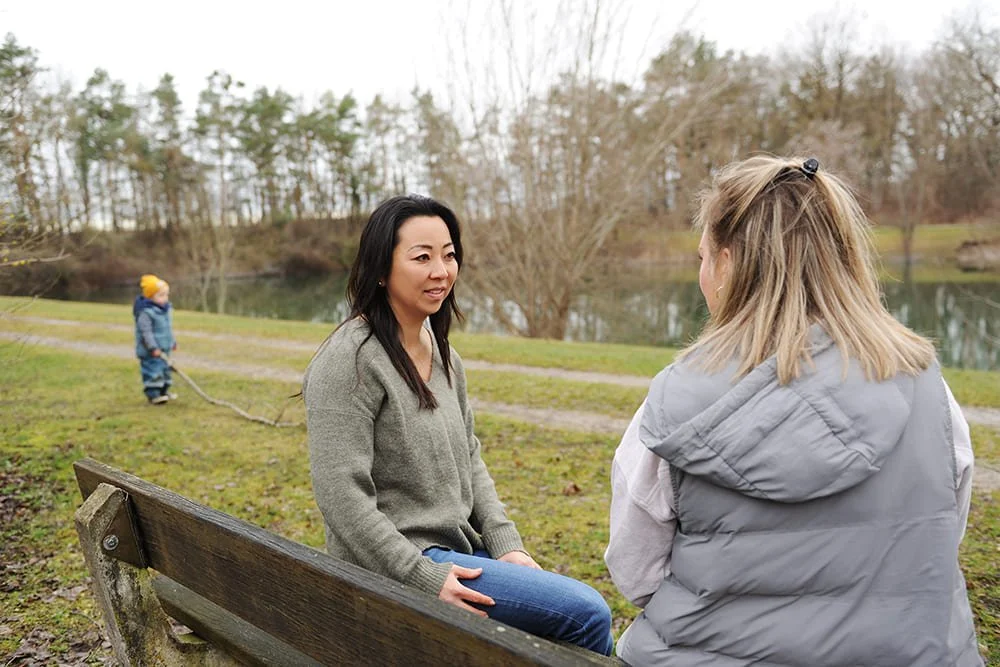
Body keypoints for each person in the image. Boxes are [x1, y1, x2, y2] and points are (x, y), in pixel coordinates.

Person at [605, 156, 983, 666]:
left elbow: (636, 570)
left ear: (728, 262)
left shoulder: (675, 400)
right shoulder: (928, 390)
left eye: (702, 258)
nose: (701, 274)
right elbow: (939, 535)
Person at [303, 194, 614, 655]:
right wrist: (421, 576)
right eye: (421, 257)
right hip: (395, 568)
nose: (441, 271)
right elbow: (340, 496)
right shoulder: (349, 362)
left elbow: (469, 456)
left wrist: (506, 544)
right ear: (381, 270)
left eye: (448, 255)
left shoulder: (444, 355)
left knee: (555, 616)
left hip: (458, 551)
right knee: (586, 613)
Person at [133, 274, 177, 405]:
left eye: (166, 295)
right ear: (150, 296)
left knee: (165, 371)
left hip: (164, 348)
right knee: (153, 372)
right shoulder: (145, 313)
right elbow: (146, 333)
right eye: (161, 295)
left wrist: (172, 342)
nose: (165, 298)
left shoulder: (164, 310)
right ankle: (153, 394)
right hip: (152, 351)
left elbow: (168, 329)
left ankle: (164, 391)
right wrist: (153, 347)